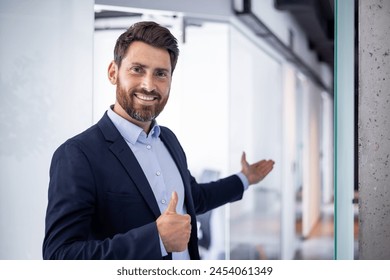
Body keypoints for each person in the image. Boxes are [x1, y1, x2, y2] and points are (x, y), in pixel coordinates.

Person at [42, 21, 275, 260]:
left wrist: (245, 179)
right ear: (113, 72)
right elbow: (60, 256)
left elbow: (193, 198)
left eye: (160, 74)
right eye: (137, 69)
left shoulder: (168, 139)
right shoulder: (78, 155)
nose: (149, 85)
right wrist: (157, 240)